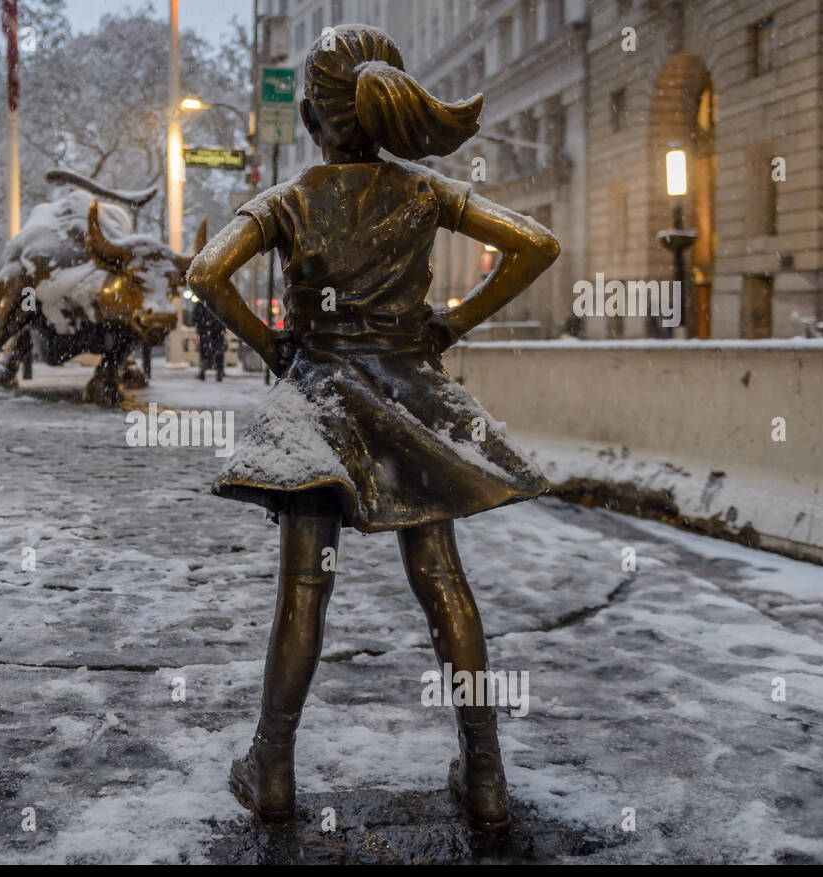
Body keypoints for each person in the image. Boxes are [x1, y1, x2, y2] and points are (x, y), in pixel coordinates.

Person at [187, 24, 559, 834]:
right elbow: (536, 244)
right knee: (443, 582)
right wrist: (451, 326)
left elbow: (207, 273)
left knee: (304, 591)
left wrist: (271, 343)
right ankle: (487, 773)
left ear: (318, 121)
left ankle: (273, 767)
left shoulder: (289, 200)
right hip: (408, 400)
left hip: (317, 405)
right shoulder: (424, 192)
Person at [194, 299, 226, 381]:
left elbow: (196, 317)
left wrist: (200, 328)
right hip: (217, 331)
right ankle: (219, 371)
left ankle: (203, 371)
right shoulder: (218, 302)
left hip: (206, 331)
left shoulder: (202, 301)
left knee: (205, 351)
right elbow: (224, 317)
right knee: (218, 351)